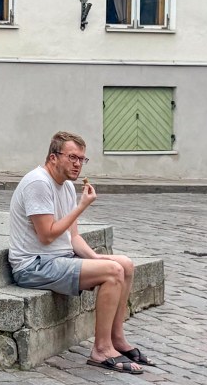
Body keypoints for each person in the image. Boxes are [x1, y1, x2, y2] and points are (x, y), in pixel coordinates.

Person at [8, 131, 154, 375]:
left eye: (82, 159)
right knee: (112, 272)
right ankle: (101, 350)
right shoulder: (38, 183)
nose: (78, 164)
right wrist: (82, 207)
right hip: (33, 266)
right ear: (53, 157)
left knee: (125, 265)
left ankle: (117, 339)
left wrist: (95, 259)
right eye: (72, 157)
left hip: (59, 259)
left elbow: (73, 237)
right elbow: (47, 235)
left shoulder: (66, 185)